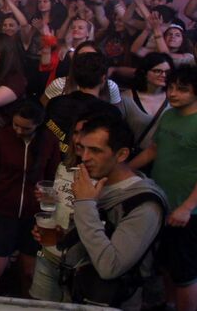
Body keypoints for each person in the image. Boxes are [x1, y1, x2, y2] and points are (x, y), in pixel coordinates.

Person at [50, 114, 168, 309]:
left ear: (121, 154)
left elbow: (110, 267)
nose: (84, 158)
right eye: (83, 148)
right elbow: (96, 234)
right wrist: (66, 237)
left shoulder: (145, 205)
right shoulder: (97, 183)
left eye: (95, 150)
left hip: (113, 302)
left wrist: (85, 203)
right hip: (79, 294)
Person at [133, 65, 197, 311]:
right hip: (162, 202)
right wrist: (124, 168)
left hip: (186, 211)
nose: (173, 93)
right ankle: (168, 304)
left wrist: (187, 208)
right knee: (168, 265)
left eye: (182, 89)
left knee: (185, 272)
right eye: (170, 87)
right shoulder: (169, 115)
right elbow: (153, 150)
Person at [0, 102, 61, 293]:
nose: (18, 131)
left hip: (34, 215)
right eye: (15, 125)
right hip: (2, 212)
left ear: (38, 124)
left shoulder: (49, 141)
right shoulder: (1, 137)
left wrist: (48, 195)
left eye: (26, 128)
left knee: (29, 273)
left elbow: (53, 178)